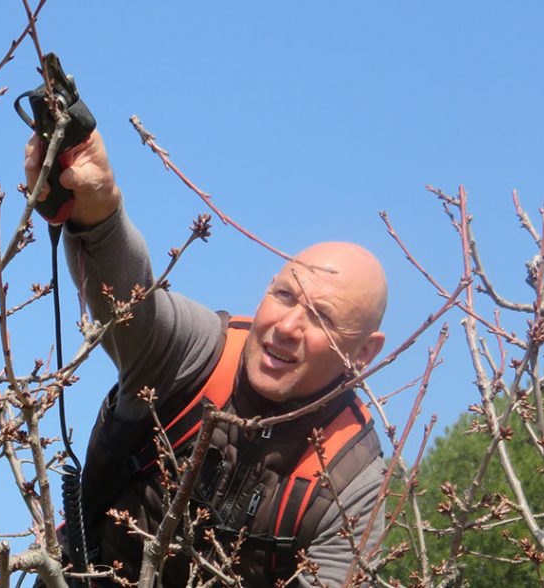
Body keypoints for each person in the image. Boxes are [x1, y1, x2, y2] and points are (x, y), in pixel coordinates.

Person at [25, 130, 388, 587]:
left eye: (322, 318)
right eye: (283, 295)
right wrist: (98, 207)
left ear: (365, 353)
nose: (287, 327)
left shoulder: (353, 482)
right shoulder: (198, 353)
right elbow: (131, 305)